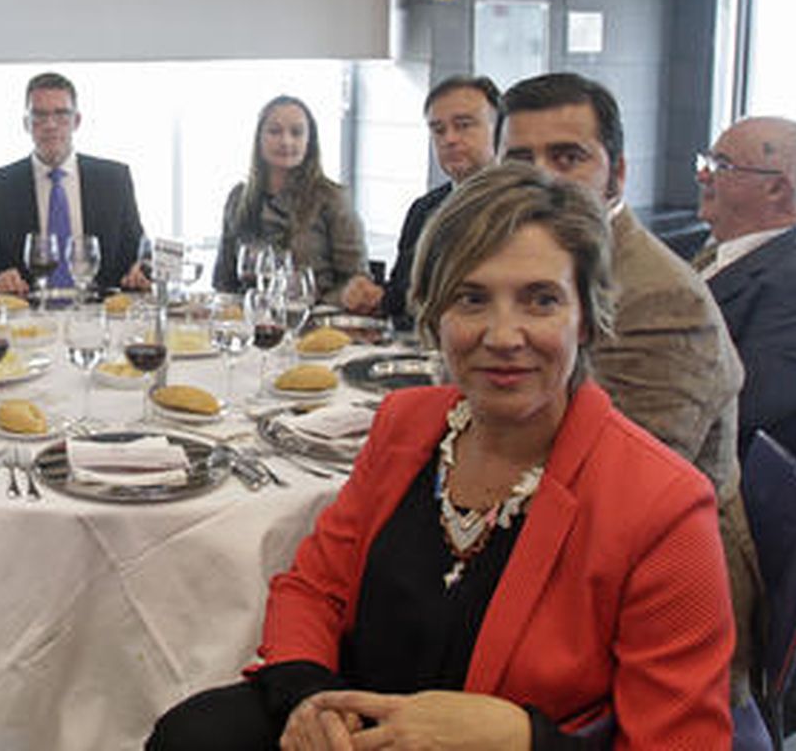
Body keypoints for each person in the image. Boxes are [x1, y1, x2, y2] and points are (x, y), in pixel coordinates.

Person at [149, 162, 734, 749]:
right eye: (472, 299)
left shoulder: (662, 506)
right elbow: (314, 587)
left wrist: (524, 738)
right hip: (356, 730)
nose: (503, 336)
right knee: (191, 734)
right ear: (432, 314)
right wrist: (309, 695)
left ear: (585, 319)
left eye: (540, 300)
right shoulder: (408, 423)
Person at [499, 71, 756, 698]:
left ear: (616, 175)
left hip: (658, 598)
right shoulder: (529, 266)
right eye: (519, 161)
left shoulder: (661, 298)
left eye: (567, 157)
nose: (541, 180)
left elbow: (615, 500)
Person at [695, 116, 796, 462]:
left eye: (722, 165)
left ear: (776, 190)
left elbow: (743, 406)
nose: (703, 176)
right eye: (707, 161)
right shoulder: (692, 252)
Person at [0, 71, 147, 293]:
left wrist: (140, 272)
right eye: (39, 115)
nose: (50, 125)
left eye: (61, 114)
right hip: (26, 310)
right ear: (26, 123)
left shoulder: (114, 180)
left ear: (76, 121)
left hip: (100, 308)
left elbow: (137, 255)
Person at [211, 95, 381, 311]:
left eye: (297, 132)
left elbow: (357, 280)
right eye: (274, 131)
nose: (286, 141)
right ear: (259, 138)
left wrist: (316, 302)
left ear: (309, 141)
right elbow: (223, 282)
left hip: (316, 320)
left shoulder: (332, 198)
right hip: (247, 321)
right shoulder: (238, 198)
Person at [380, 75, 500, 325]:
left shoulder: (522, 210)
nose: (449, 139)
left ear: (498, 131)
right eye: (438, 130)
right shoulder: (423, 209)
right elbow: (398, 300)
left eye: (464, 125)